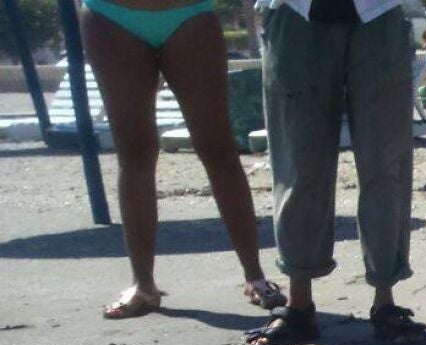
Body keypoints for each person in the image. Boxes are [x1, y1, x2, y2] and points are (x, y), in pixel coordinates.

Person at [77, 0, 286, 318]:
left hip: (188, 12)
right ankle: (143, 285)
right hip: (110, 14)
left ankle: (254, 275)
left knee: (218, 149)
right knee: (134, 152)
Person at [245, 0, 426, 345]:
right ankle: (298, 304)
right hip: (295, 12)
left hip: (379, 12)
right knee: (297, 164)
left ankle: (385, 300)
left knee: (386, 165)